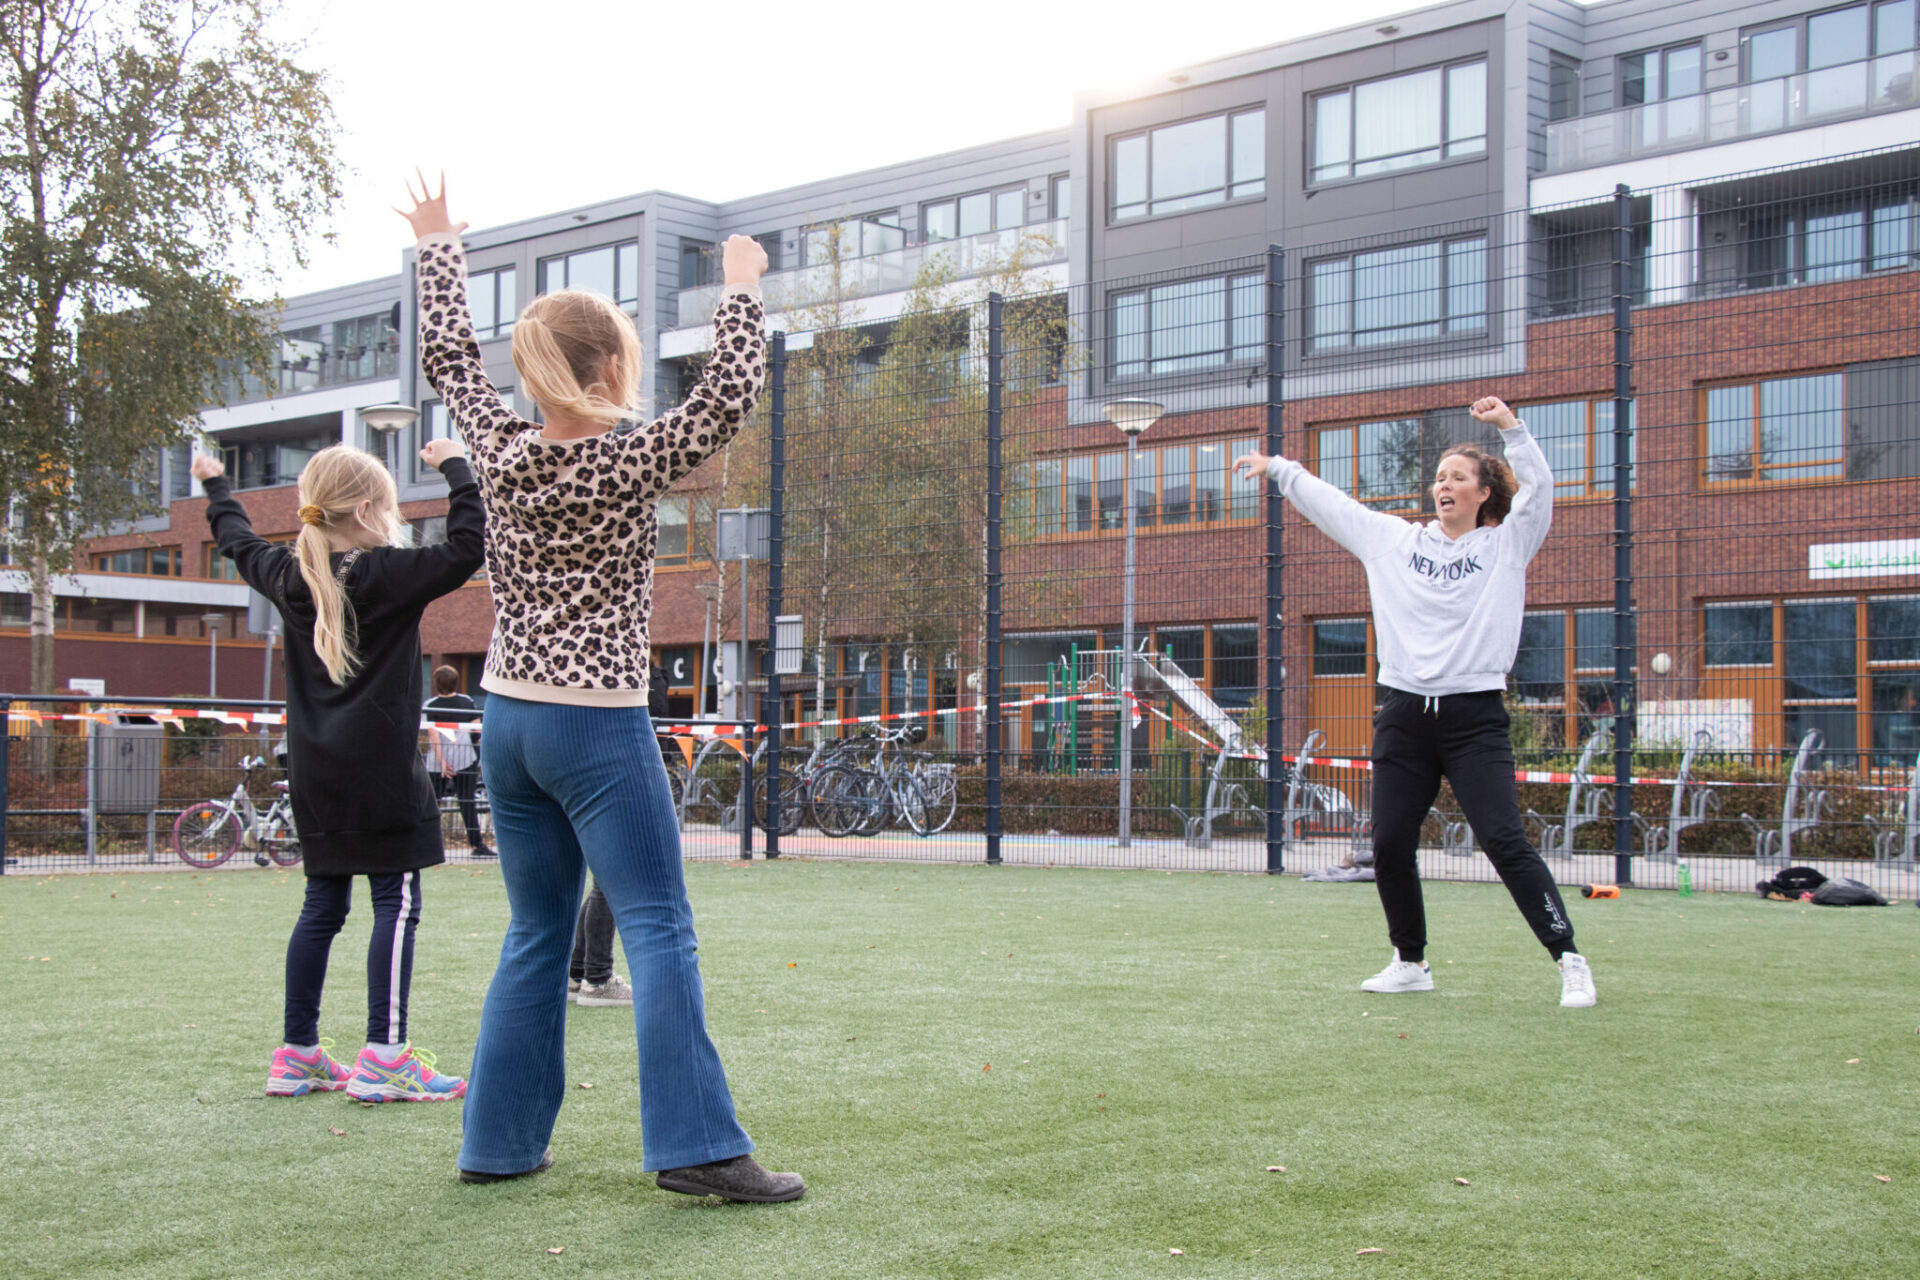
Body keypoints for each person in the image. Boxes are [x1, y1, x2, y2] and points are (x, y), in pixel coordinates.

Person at [401, 175, 803, 1199]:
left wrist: (442, 245)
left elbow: (449, 356)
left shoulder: (497, 448)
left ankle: (495, 1143)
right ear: (613, 365)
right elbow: (726, 398)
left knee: (535, 928)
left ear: (533, 377)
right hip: (595, 727)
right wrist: (741, 284)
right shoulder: (627, 457)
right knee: (660, 923)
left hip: (508, 717)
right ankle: (696, 1145)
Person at [1233, 396, 1597, 1009]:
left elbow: (1540, 488)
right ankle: (1410, 962)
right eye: (1438, 478)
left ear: (1483, 493)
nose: (1443, 486)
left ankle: (1570, 960)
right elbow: (1336, 507)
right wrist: (1280, 470)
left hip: (1474, 717)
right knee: (1390, 842)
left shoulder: (1507, 546)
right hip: (1403, 715)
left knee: (1503, 839)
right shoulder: (1393, 543)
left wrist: (1512, 428)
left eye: (1457, 477)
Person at [195, 434, 487, 1101]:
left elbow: (236, 540)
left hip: (316, 774)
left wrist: (215, 487)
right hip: (383, 772)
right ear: (364, 508)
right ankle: (385, 1055)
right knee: (397, 902)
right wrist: (455, 468)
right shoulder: (387, 572)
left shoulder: (285, 572)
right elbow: (470, 547)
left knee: (322, 905)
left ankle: (297, 1052)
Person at [565, 660, 665, 1009]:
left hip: (577, 760)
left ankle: (580, 973)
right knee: (608, 883)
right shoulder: (619, 668)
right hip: (608, 771)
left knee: (601, 883)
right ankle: (596, 978)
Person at [425, 665, 492, 858]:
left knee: (431, 803)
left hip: (438, 763)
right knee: (467, 801)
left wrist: (442, 762)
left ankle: (428, 844)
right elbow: (477, 728)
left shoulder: (431, 704)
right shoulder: (466, 702)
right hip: (465, 759)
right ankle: (477, 846)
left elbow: (433, 734)